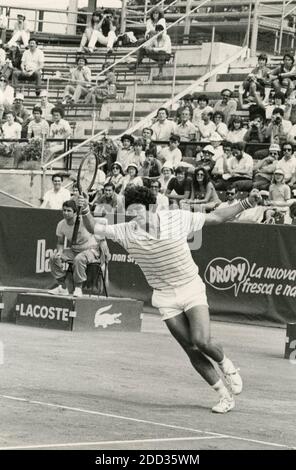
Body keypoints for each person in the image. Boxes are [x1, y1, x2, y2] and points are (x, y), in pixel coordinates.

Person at [79, 186, 261, 413]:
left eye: (139, 211)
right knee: (190, 347)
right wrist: (85, 209)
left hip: (190, 288)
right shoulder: (125, 230)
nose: (136, 216)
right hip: (164, 296)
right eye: (131, 212)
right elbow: (93, 226)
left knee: (202, 340)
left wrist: (246, 204)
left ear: (150, 208)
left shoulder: (177, 218)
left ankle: (228, 366)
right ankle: (224, 396)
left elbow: (216, 216)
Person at [49, 199, 110, 298]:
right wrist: (60, 251)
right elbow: (60, 242)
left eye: (69, 211)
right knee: (53, 257)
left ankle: (78, 288)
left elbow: (98, 232)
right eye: (64, 210)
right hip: (74, 250)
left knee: (79, 258)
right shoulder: (61, 224)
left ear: (75, 213)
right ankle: (62, 287)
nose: (65, 213)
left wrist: (104, 249)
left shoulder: (84, 221)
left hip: (91, 251)